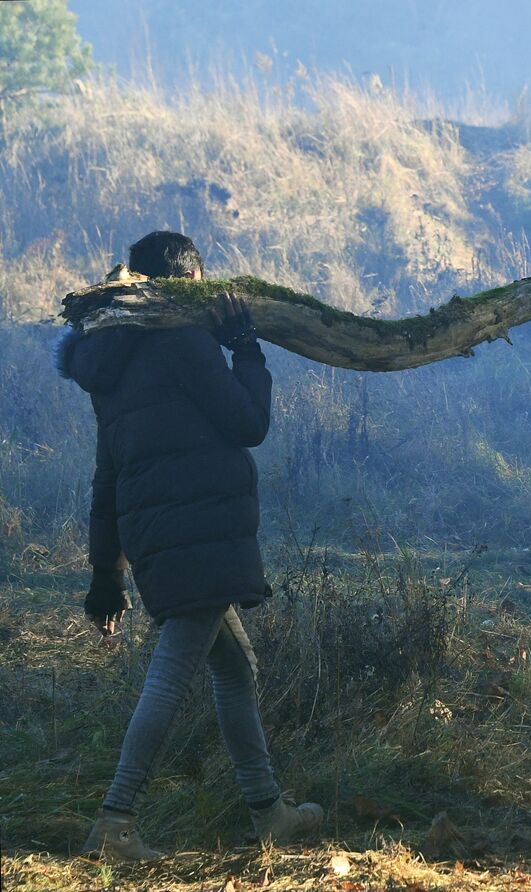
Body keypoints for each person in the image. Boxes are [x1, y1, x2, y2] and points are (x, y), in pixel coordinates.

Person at [56, 231, 323, 860]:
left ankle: (268, 812)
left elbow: (108, 472)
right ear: (187, 286)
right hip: (202, 532)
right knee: (172, 676)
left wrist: (106, 573)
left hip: (159, 537)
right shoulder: (182, 340)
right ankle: (115, 824)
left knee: (235, 668)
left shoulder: (110, 362)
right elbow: (248, 423)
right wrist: (245, 350)